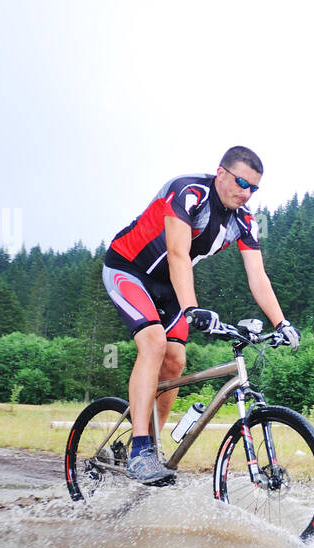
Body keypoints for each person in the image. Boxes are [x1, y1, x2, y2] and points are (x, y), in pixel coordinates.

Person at [102, 146, 299, 485]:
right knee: (154, 343)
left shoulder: (243, 220)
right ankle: (139, 449)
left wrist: (281, 322)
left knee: (176, 360)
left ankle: (153, 447)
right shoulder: (189, 192)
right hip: (128, 270)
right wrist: (193, 309)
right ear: (220, 173)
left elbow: (258, 276)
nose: (246, 192)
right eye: (240, 182)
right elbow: (178, 254)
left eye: (253, 187)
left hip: (169, 286)